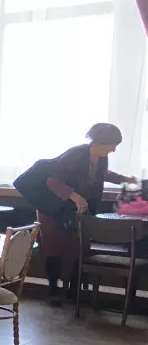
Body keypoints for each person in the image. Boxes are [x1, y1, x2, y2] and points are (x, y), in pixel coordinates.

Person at [35, 123, 138, 305]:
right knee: (54, 249)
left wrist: (126, 179)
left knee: (79, 249)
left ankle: (74, 292)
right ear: (101, 141)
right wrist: (75, 196)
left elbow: (104, 174)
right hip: (53, 209)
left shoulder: (101, 157)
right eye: (112, 145)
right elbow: (53, 181)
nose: (113, 150)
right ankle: (53, 291)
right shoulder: (76, 154)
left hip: (76, 209)